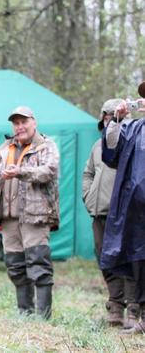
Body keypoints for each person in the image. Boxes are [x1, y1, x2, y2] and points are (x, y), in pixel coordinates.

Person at [0, 106, 59, 319]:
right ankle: (24, 312)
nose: (20, 127)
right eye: (16, 123)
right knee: (15, 266)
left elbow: (49, 171)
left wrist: (21, 172)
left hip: (35, 215)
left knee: (38, 264)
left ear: (33, 122)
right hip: (8, 217)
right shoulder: (4, 148)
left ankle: (44, 316)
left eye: (24, 122)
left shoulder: (46, 146)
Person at [82, 99, 138, 328]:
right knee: (105, 260)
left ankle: (134, 308)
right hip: (100, 212)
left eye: (115, 117)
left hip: (126, 215)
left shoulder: (135, 142)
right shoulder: (97, 146)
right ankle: (115, 305)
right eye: (106, 117)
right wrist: (88, 195)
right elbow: (88, 173)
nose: (110, 121)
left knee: (128, 261)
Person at [101, 84, 145, 334]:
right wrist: (116, 120)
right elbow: (112, 152)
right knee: (139, 262)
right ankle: (143, 317)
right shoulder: (135, 128)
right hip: (137, 213)